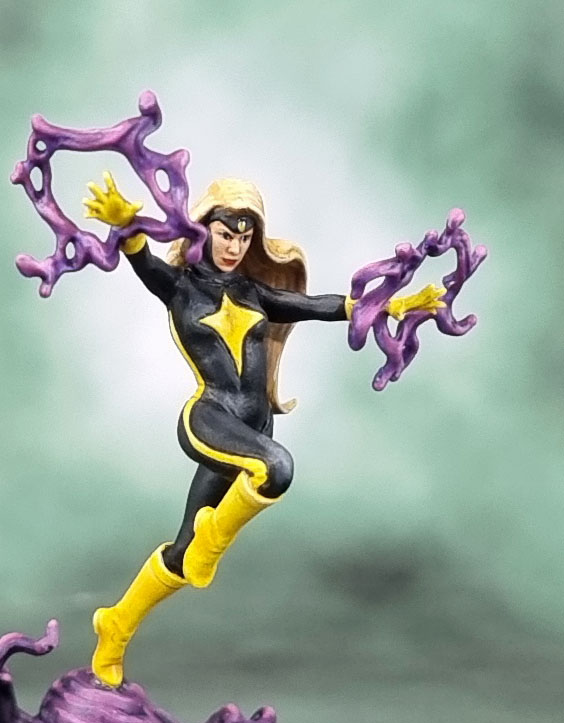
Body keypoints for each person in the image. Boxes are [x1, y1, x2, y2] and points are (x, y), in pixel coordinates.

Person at [83, 173, 441, 686]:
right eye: (225, 234)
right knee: (276, 467)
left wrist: (395, 304)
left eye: (245, 237)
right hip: (210, 419)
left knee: (182, 556)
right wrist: (127, 225)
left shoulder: (253, 292)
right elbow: (141, 260)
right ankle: (213, 543)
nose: (235, 247)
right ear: (204, 229)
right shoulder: (180, 286)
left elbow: (324, 306)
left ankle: (115, 625)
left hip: (253, 423)